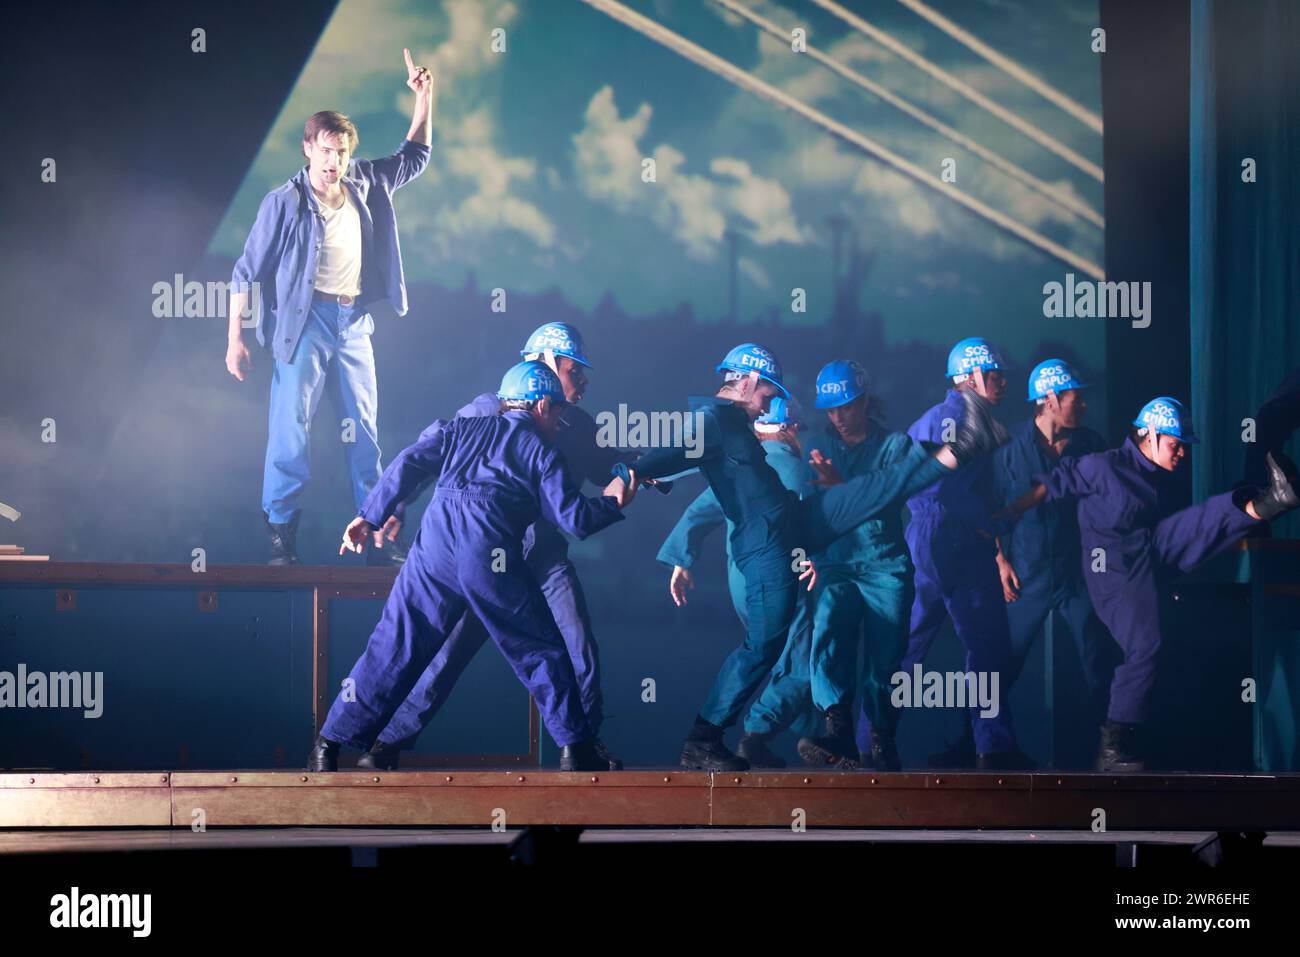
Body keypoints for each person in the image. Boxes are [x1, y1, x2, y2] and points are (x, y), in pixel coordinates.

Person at [621, 342, 1004, 771]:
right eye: (768, 396)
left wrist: (651, 474)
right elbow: (680, 450)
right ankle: (715, 737)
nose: (768, 407)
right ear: (748, 382)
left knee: (869, 492)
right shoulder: (715, 420)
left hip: (796, 526)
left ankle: (962, 447)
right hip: (771, 547)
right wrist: (633, 471)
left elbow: (687, 459)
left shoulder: (731, 425)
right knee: (769, 647)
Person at [307, 361, 637, 773]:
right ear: (540, 407)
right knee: (541, 651)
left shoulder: (461, 427)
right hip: (487, 554)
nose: (559, 424)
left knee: (392, 645)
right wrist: (615, 499)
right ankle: (575, 749)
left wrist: (369, 515)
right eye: (557, 414)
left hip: (432, 551)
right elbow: (576, 521)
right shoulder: (541, 451)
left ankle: (328, 745)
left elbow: (411, 460)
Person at [998, 397, 1299, 771]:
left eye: (1184, 447)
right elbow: (1050, 485)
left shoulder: (1160, 477)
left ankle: (1270, 501)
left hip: (1151, 550)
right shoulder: (1102, 466)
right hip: (1112, 568)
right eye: (1176, 445)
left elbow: (1182, 534)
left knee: (1199, 520)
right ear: (1151, 436)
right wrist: (1008, 515)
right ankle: (1113, 747)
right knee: (1146, 646)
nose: (1182, 455)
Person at [226, 49, 434, 566]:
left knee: (365, 434)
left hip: (354, 323)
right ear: (307, 150)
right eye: (324, 150)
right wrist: (235, 338)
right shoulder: (284, 201)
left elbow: (415, 157)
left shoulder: (366, 181)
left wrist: (425, 97)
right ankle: (281, 536)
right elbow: (245, 273)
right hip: (304, 325)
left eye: (340, 151)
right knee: (290, 432)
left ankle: (377, 536)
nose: (333, 160)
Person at [856, 338, 1033, 770]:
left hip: (924, 540)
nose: (1004, 382)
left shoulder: (931, 419)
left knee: (904, 648)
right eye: (995, 374)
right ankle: (994, 748)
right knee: (987, 647)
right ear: (971, 377)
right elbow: (944, 485)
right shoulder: (962, 420)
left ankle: (867, 744)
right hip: (955, 542)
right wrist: (988, 525)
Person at [657, 396, 819, 768]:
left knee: (771, 654)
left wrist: (681, 560)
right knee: (803, 659)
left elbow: (699, 511)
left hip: (740, 579)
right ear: (791, 430)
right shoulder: (796, 470)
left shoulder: (740, 467)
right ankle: (751, 734)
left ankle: (796, 732)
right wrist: (812, 559)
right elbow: (807, 526)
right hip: (778, 575)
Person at [796, 360, 929, 772]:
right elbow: (808, 508)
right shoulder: (817, 444)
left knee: (885, 658)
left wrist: (842, 488)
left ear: (865, 401)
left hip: (885, 566)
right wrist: (809, 556)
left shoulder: (897, 447)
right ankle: (836, 728)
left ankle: (882, 737)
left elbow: (892, 494)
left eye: (846, 408)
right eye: (831, 410)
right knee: (828, 637)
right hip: (835, 563)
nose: (838, 418)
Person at [990, 359, 1116, 764]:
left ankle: (1114, 747)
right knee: (1000, 664)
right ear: (1048, 400)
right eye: (1075, 400)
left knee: (1099, 658)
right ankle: (982, 744)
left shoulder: (1092, 445)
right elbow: (989, 507)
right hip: (1027, 575)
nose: (1082, 407)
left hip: (1079, 574)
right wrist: (999, 560)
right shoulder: (1009, 450)